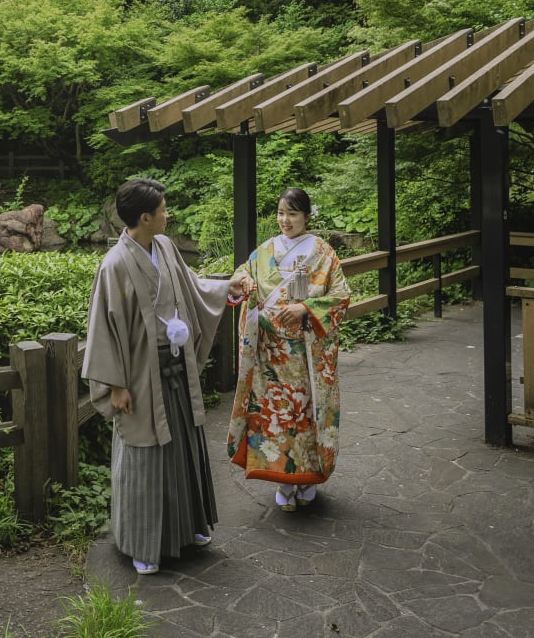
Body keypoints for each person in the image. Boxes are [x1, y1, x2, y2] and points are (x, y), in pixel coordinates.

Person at [82, 177, 246, 576]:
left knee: (184, 448)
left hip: (175, 369)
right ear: (144, 217)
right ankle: (143, 544)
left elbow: (192, 289)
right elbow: (102, 328)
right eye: (163, 210)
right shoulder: (115, 264)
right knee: (145, 456)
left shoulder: (166, 247)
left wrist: (227, 288)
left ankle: (189, 528)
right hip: (139, 375)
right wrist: (116, 385)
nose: (167, 214)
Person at [227, 187, 351, 512]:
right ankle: (284, 481)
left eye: (293, 214)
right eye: (281, 213)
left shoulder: (323, 253)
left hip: (306, 355)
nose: (285, 220)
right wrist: (246, 282)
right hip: (271, 353)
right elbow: (242, 273)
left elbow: (341, 296)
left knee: (307, 416)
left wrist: (306, 309)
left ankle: (308, 477)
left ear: (307, 216)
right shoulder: (265, 250)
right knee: (276, 419)